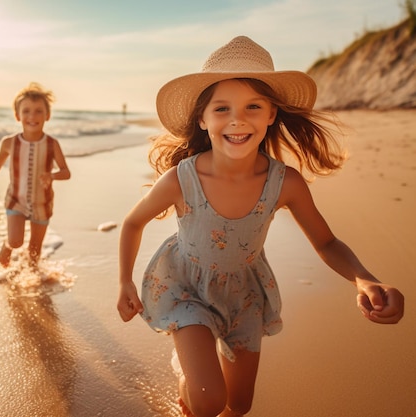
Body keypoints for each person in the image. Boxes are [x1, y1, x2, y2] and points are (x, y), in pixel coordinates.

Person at [116, 36, 404, 417]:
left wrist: (364, 279)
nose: (238, 119)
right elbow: (133, 222)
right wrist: (124, 281)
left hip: (245, 295)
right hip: (184, 287)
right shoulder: (181, 179)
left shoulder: (285, 183)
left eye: (253, 106)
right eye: (222, 108)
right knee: (207, 400)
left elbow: (326, 241)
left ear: (271, 114)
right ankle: (190, 380)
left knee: (239, 405)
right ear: (203, 119)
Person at [0, 82, 71, 267]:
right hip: (16, 200)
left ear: (48, 115)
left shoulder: (52, 144)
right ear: (17, 115)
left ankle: (31, 282)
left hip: (42, 202)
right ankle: (6, 245)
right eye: (26, 111)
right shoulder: (9, 143)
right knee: (16, 241)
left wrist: (51, 176)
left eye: (38, 111)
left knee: (35, 250)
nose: (32, 116)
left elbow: (66, 172)